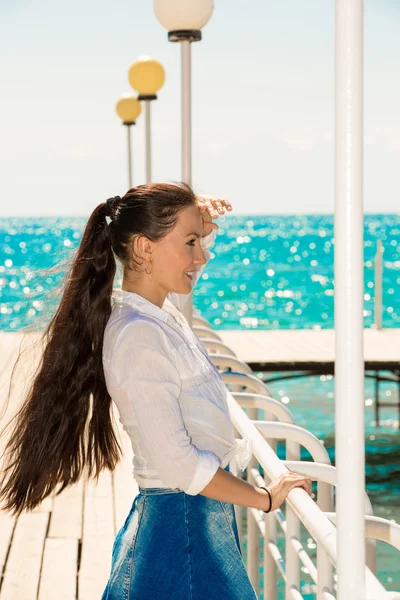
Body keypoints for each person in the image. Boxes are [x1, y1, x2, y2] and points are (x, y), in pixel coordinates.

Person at [0, 182, 311, 599]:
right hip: (182, 526)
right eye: (191, 242)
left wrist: (195, 221)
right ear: (145, 249)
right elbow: (183, 466)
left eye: (201, 241)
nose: (203, 255)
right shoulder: (138, 336)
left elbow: (178, 261)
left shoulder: (157, 316)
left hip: (195, 522)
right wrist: (264, 499)